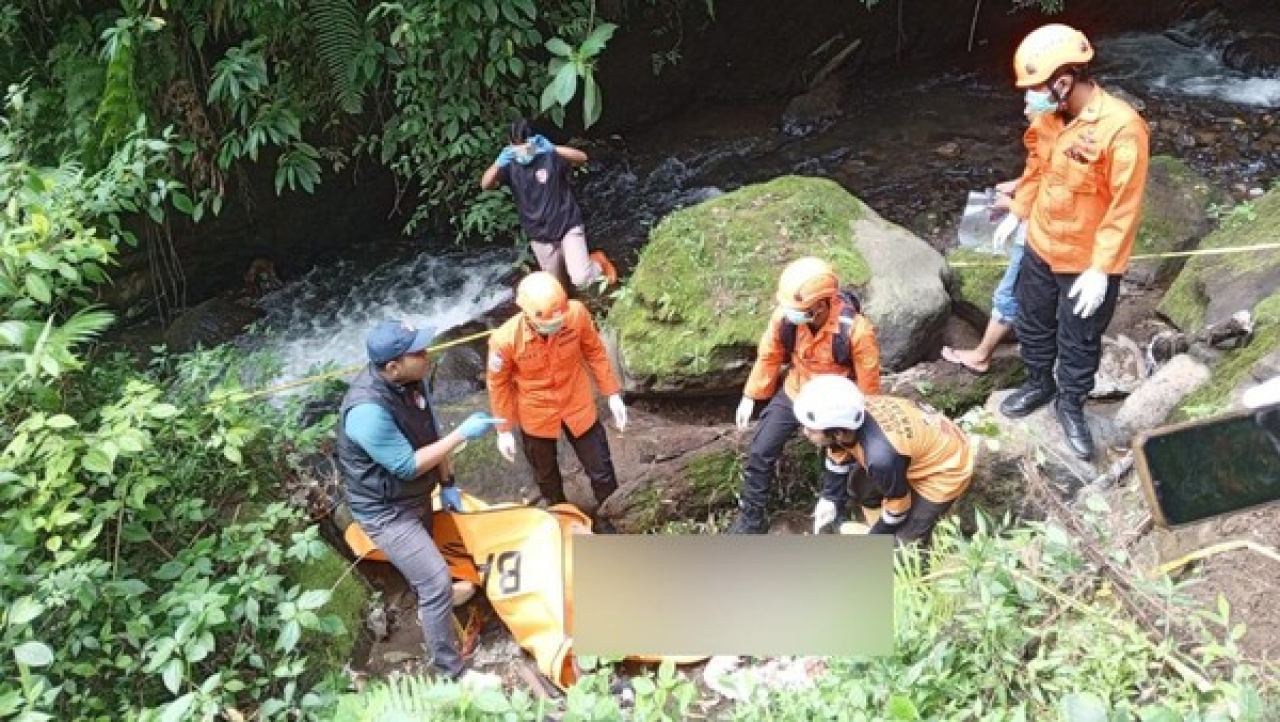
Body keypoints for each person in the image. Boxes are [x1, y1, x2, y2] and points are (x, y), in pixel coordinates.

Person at [995, 23, 1150, 460]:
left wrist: (1102, 269)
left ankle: (1071, 405)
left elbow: (1124, 206)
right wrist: (1019, 211)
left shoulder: (1121, 128)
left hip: (1086, 261)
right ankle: (1039, 384)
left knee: (1079, 339)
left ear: (1063, 82)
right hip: (1042, 245)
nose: (1029, 99)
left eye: (1035, 88)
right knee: (1032, 322)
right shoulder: (1047, 120)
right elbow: (1037, 168)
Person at [336, 320, 504, 681]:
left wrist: (448, 483)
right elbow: (406, 465)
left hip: (414, 495)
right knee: (435, 581)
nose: (427, 354)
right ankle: (451, 671)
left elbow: (431, 435)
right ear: (393, 366)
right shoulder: (366, 412)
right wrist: (463, 434)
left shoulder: (413, 381)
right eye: (417, 352)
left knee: (428, 568)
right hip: (384, 512)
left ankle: (434, 602)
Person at [728, 257, 883, 534]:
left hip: (835, 402)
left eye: (797, 309)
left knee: (841, 454)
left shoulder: (856, 332)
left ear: (820, 306)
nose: (789, 313)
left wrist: (859, 423)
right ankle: (752, 518)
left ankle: (835, 508)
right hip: (797, 390)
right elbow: (770, 355)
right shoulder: (785, 319)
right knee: (761, 449)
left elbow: (869, 387)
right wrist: (750, 396)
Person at [486, 271, 628, 532]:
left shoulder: (576, 314)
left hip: (577, 401)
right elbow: (498, 384)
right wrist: (503, 429)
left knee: (601, 468)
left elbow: (594, 351)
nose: (555, 325)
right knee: (546, 476)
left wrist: (612, 393)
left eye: (559, 319)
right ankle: (560, 517)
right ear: (527, 314)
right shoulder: (504, 340)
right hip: (536, 411)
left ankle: (612, 515)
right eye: (548, 322)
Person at [797, 374, 976, 547]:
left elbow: (898, 507)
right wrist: (830, 497)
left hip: (947, 466)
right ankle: (876, 523)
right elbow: (837, 452)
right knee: (861, 488)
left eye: (811, 429)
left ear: (838, 433)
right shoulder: (850, 415)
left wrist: (877, 537)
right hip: (916, 445)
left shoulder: (880, 458)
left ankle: (902, 547)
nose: (805, 432)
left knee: (905, 544)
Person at [480, 118, 617, 294]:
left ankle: (598, 262)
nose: (521, 151)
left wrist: (552, 148)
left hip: (567, 224)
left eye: (524, 145)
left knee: (581, 279)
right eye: (516, 146)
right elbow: (486, 184)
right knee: (556, 289)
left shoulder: (548, 156)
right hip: (539, 234)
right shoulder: (510, 165)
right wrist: (498, 163)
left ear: (534, 140)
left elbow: (582, 158)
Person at [941, 179, 1024, 375]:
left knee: (1007, 296)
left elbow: (1058, 199)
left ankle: (981, 356)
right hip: (1040, 231)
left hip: (1042, 238)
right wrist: (1019, 184)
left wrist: (1013, 207)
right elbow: (1044, 171)